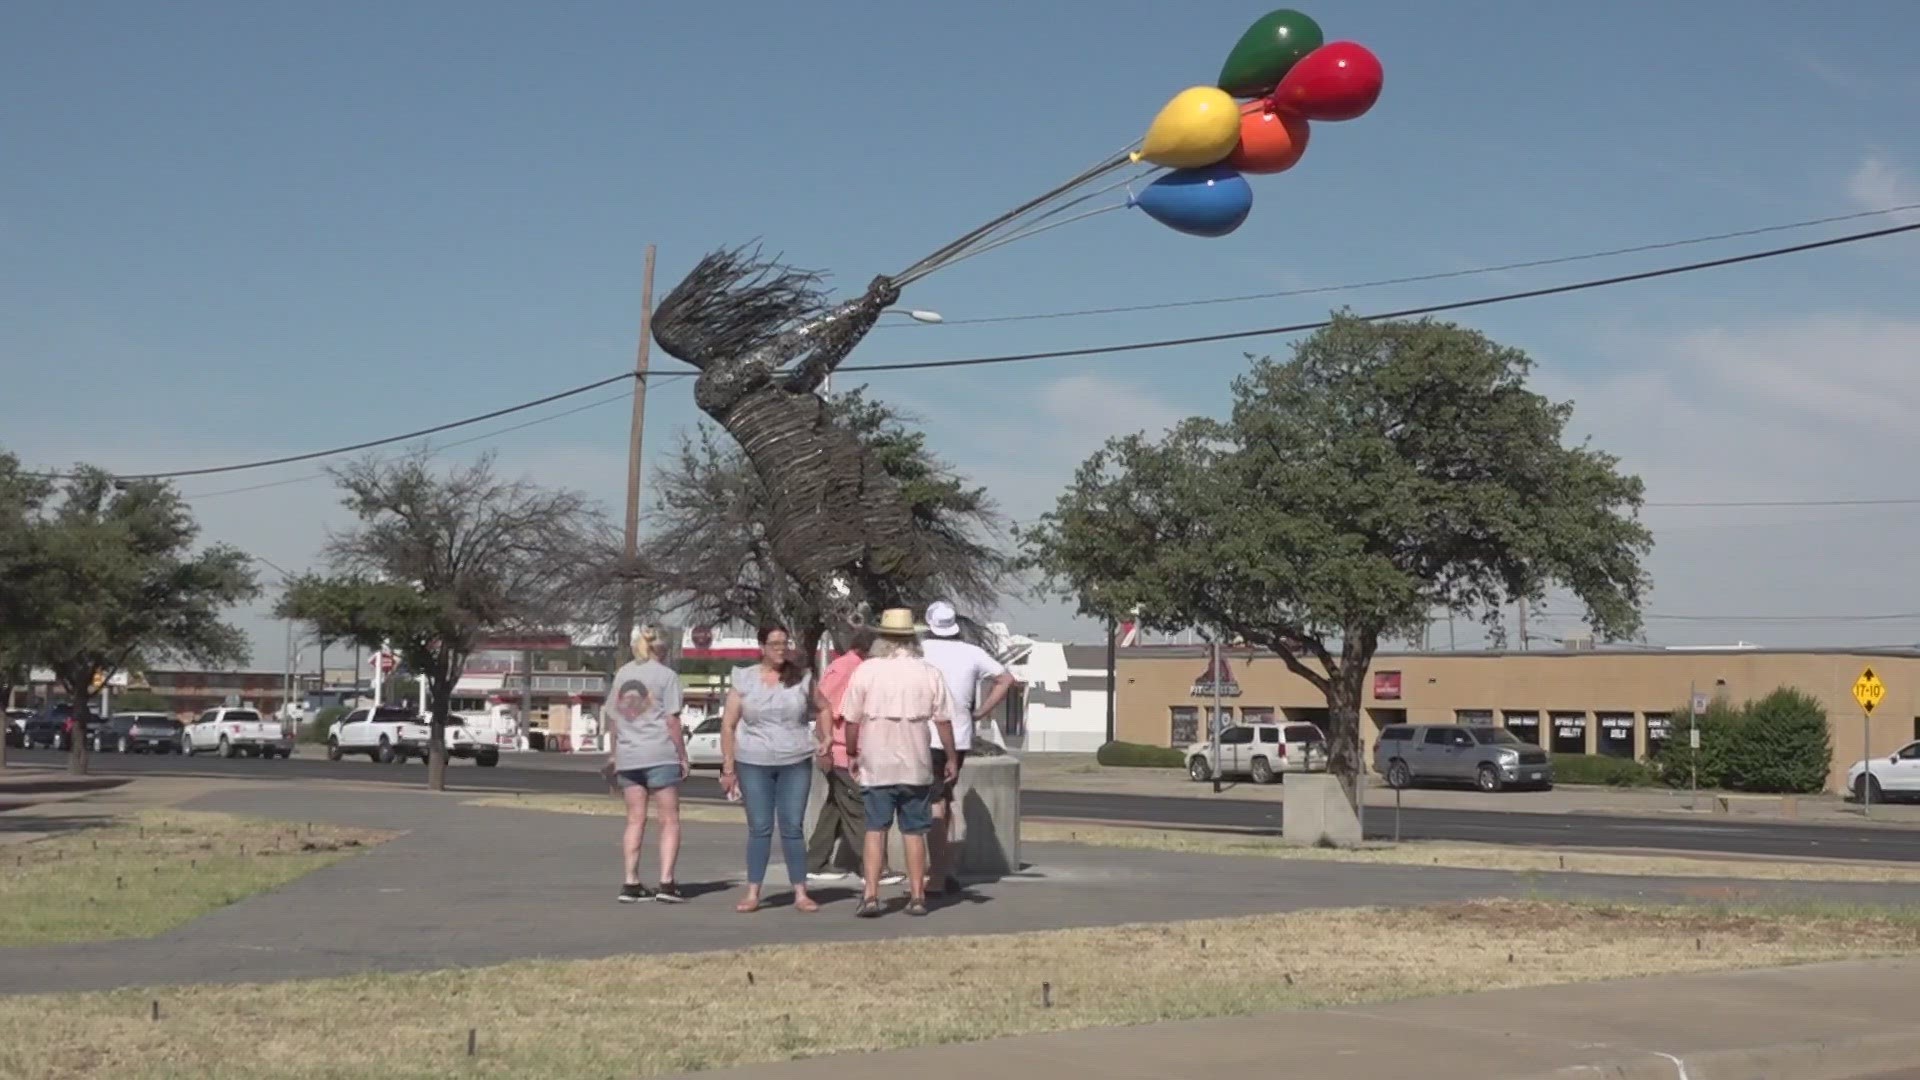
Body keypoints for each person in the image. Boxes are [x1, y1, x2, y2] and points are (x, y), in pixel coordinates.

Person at [839, 608, 958, 918]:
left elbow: (850, 720)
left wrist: (852, 752)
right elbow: (944, 720)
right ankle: (918, 895)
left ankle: (871, 895)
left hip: (876, 763)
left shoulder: (866, 671)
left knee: (875, 830)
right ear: (912, 639)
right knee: (914, 831)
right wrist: (951, 756)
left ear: (882, 639)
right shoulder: (928, 672)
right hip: (915, 764)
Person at [720, 624, 821, 914]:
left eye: (784, 643)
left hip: (795, 760)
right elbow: (728, 724)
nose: (780, 648)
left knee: (792, 826)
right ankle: (753, 892)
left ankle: (800, 892)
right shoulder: (744, 679)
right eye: (774, 643)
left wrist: (824, 738)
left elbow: (824, 707)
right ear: (762, 647)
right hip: (754, 761)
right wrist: (729, 767)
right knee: (760, 827)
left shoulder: (801, 678)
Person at [919, 600, 1016, 896]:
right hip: (957, 738)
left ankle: (934, 872)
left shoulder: (918, 651)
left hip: (919, 734)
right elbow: (1006, 679)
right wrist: (981, 711)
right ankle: (940, 867)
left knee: (927, 803)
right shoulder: (972, 653)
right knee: (944, 800)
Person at [805, 626, 904, 885]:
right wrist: (825, 747)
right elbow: (824, 708)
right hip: (841, 752)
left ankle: (814, 861)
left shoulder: (860, 668)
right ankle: (875, 868)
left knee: (836, 808)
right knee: (861, 809)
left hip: (851, 751)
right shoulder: (845, 669)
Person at [600, 625, 688, 904]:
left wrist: (615, 754)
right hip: (659, 752)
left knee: (635, 819)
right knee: (669, 819)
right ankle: (666, 881)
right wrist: (682, 756)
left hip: (629, 755)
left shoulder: (623, 674)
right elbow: (672, 721)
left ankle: (630, 881)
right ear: (661, 649)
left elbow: (613, 719)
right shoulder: (667, 676)